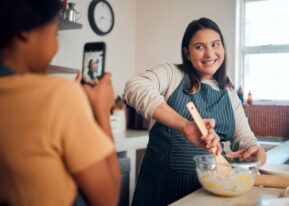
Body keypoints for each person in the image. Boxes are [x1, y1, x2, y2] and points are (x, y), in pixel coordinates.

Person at [123, 17, 266, 206]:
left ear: (223, 48)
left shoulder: (229, 92)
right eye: (199, 47)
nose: (209, 54)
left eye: (215, 44)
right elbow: (134, 87)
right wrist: (185, 126)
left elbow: (246, 141)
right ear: (187, 53)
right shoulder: (173, 74)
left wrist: (257, 153)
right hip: (160, 191)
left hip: (208, 195)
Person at [0, 0, 120, 206]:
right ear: (25, 30)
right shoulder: (58, 95)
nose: (56, 45)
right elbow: (107, 199)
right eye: (55, 32)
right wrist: (101, 111)